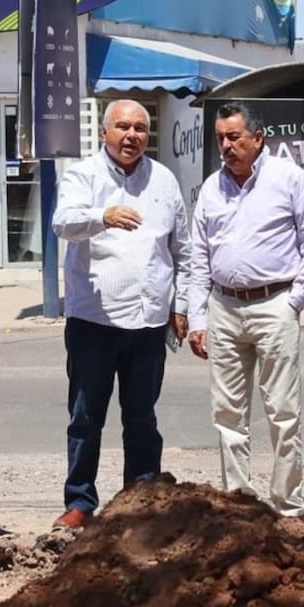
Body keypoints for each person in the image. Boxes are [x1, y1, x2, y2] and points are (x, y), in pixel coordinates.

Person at [51, 100, 191, 529]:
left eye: (140, 129)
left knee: (142, 416)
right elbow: (63, 223)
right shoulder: (83, 175)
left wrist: (180, 305)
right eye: (123, 128)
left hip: (149, 320)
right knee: (86, 416)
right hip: (95, 319)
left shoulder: (164, 180)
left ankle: (142, 495)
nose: (131, 136)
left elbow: (182, 249)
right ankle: (79, 502)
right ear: (105, 132)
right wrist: (103, 216)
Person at [187, 102, 304, 517]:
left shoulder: (288, 179)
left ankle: (287, 505)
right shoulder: (212, 189)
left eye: (234, 137)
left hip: (275, 305)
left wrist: (295, 300)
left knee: (282, 411)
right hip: (224, 307)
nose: (226, 146)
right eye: (221, 139)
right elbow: (199, 257)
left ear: (258, 138)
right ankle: (240, 502)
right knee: (227, 413)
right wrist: (198, 318)